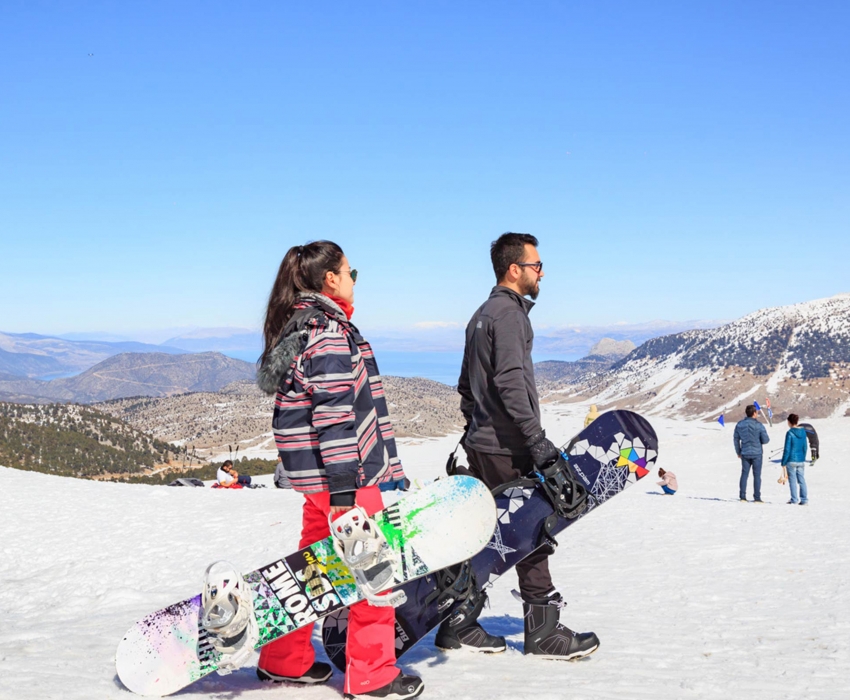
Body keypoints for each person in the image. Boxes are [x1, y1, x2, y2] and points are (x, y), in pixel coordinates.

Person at [255, 240, 421, 700]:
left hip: (318, 481)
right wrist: (348, 490)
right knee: (373, 568)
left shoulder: (300, 325)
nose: (353, 279)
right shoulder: (328, 331)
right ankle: (372, 674)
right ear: (331, 278)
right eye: (352, 271)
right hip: (342, 479)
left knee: (311, 567)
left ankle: (283, 659)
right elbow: (333, 415)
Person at [443, 232, 599, 660]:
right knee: (533, 529)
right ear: (515, 269)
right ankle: (544, 631)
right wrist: (535, 440)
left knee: (479, 534)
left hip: (484, 442)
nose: (541, 273)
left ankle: (456, 622)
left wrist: (477, 429)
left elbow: (465, 386)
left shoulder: (481, 314)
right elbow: (511, 382)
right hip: (508, 445)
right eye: (536, 266)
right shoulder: (509, 315)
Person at [733, 405, 769, 502]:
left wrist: (738, 451)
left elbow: (736, 439)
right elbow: (766, 440)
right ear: (754, 413)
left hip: (744, 452)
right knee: (757, 475)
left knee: (744, 474)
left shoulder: (739, 424)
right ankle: (757, 497)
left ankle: (742, 496)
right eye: (756, 412)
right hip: (757, 453)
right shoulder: (759, 425)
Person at [781, 413, 809, 505]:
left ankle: (794, 499)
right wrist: (803, 457)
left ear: (789, 422)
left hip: (791, 460)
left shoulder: (790, 433)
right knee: (801, 480)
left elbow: (787, 449)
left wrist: (783, 462)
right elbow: (805, 447)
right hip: (800, 460)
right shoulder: (803, 432)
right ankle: (804, 499)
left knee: (792, 481)